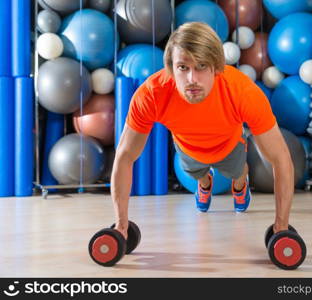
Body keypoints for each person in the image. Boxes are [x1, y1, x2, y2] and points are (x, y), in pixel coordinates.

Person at [111, 22, 294, 240]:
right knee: (198, 175)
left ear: (217, 67)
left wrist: (281, 228)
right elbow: (125, 156)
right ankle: (205, 183)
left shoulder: (242, 92)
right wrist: (121, 226)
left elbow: (280, 158)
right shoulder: (151, 95)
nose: (192, 80)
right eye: (182, 67)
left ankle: (240, 185)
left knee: (237, 172)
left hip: (229, 145)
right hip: (188, 148)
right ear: (170, 67)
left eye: (201, 66)